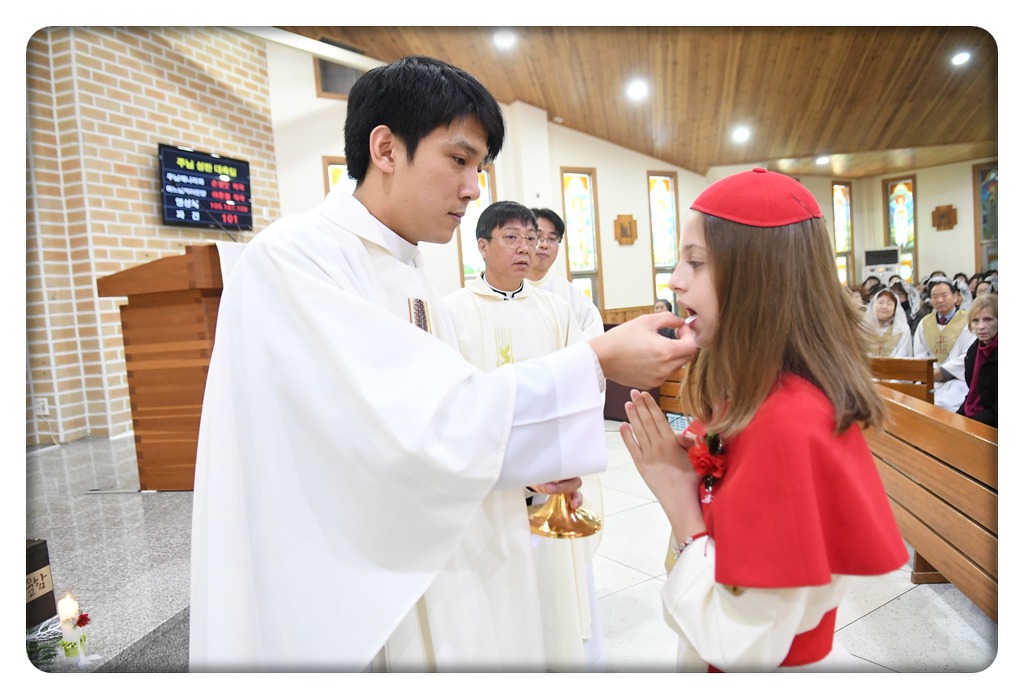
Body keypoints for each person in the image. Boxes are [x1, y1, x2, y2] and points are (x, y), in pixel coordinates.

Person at [188, 55, 694, 672]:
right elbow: (411, 432)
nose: (474, 188)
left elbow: (441, 427)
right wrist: (598, 358)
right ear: (386, 148)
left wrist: (525, 471)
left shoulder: (410, 274)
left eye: (479, 168)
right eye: (458, 160)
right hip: (350, 588)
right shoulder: (296, 259)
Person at [617, 168, 908, 672]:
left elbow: (740, 646)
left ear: (758, 277)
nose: (675, 279)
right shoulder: (757, 394)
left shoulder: (784, 423)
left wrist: (680, 503)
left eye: (696, 262)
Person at [445, 200, 605, 671]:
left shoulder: (555, 310)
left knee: (553, 595)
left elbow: (580, 386)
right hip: (490, 484)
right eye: (511, 237)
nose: (525, 248)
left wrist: (566, 459)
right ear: (482, 246)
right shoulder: (453, 311)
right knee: (499, 597)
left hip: (549, 479)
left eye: (530, 238)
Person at [526, 207, 605, 339]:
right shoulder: (508, 289)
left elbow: (594, 336)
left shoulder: (572, 296)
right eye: (538, 237)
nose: (544, 245)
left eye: (552, 239)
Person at [912, 277, 975, 412]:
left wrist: (944, 371)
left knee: (945, 404)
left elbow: (969, 354)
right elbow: (920, 352)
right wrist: (932, 371)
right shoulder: (925, 323)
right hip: (931, 376)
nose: (939, 300)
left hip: (958, 378)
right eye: (935, 297)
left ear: (955, 297)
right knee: (915, 402)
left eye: (944, 295)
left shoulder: (968, 321)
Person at [956, 294, 998, 427]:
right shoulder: (974, 351)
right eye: (975, 321)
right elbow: (973, 392)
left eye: (988, 319)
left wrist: (972, 423)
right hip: (977, 414)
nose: (981, 326)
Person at [864, 287, 912, 357]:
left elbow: (903, 354)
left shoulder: (902, 329)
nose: (884, 307)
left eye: (889, 304)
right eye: (880, 303)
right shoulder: (864, 328)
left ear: (895, 309)